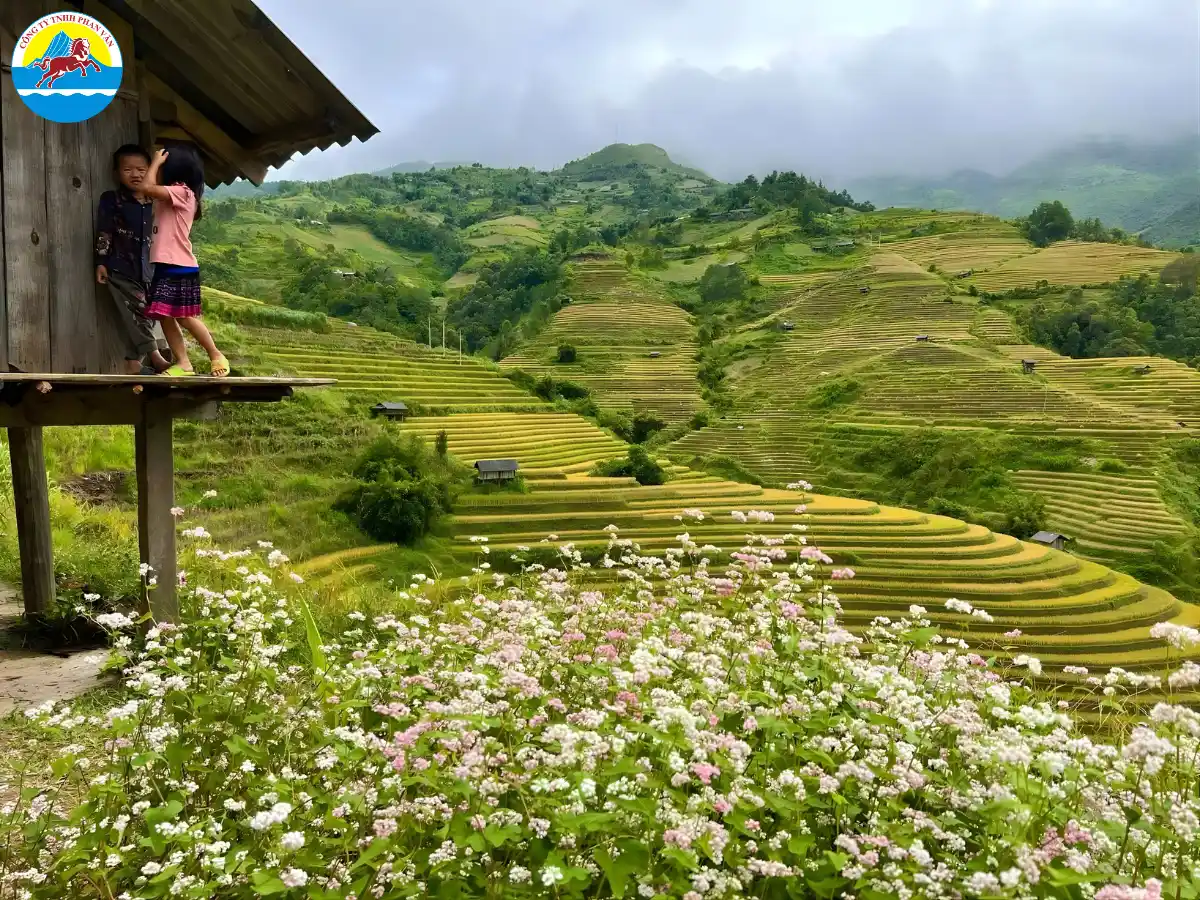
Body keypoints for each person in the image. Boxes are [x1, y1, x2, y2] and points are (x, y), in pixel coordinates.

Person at [141, 144, 229, 377]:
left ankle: (215, 354)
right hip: (165, 264)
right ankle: (183, 363)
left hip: (179, 264)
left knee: (184, 317)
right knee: (165, 315)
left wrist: (155, 162)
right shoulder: (171, 195)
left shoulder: (182, 192)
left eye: (161, 166)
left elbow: (147, 187)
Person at [94, 144, 172, 375]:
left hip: (152, 268)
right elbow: (104, 231)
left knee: (149, 311)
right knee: (140, 309)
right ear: (117, 173)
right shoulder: (112, 200)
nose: (136, 174)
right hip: (120, 266)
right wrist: (101, 260)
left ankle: (132, 362)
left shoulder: (157, 201)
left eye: (141, 169)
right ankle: (155, 356)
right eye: (128, 170)